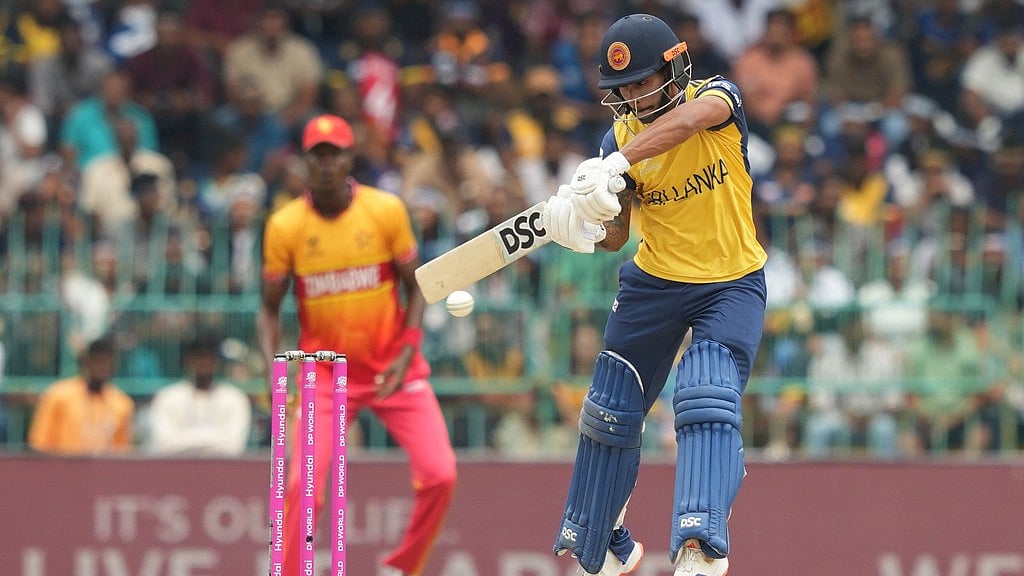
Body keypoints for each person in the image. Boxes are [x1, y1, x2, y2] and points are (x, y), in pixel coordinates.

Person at [541, 14, 767, 576]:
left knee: (706, 392)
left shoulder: (716, 97)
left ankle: (699, 544)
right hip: (655, 281)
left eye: (643, 82)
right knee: (610, 406)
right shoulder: (615, 138)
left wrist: (618, 162)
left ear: (674, 68)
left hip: (729, 280)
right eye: (624, 89)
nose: (634, 98)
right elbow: (615, 234)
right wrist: (581, 227)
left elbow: (691, 120)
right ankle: (601, 541)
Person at [257, 114, 456, 576]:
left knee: (441, 474)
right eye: (317, 155)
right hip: (325, 374)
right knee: (301, 486)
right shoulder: (285, 225)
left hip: (393, 368)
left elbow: (416, 285)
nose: (326, 164)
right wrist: (274, 373)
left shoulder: (385, 210)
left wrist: (408, 348)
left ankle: (404, 568)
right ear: (305, 161)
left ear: (350, 158)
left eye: (335, 154)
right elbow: (268, 309)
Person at [148, 332, 252, 456]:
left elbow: (234, 446)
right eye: (198, 356)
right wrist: (215, 437)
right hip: (178, 467)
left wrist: (185, 439)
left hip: (221, 468)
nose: (204, 362)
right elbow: (164, 444)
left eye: (209, 356)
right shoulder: (167, 398)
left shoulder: (235, 399)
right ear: (188, 360)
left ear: (217, 361)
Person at [28, 336, 135, 455]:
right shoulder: (59, 395)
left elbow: (121, 453)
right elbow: (39, 444)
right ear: (86, 362)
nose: (102, 367)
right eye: (97, 361)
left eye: (107, 362)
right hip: (62, 465)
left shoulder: (122, 404)